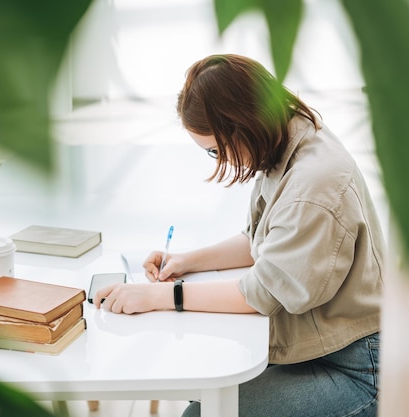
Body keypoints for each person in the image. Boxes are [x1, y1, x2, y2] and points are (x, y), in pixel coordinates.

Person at [95, 54, 385, 417]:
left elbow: (263, 292)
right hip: (316, 345)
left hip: (357, 369)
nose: (219, 160)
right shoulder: (285, 139)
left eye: (215, 150)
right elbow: (259, 240)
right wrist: (186, 261)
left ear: (243, 126)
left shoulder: (313, 184)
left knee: (200, 414)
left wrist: (159, 295)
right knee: (204, 395)